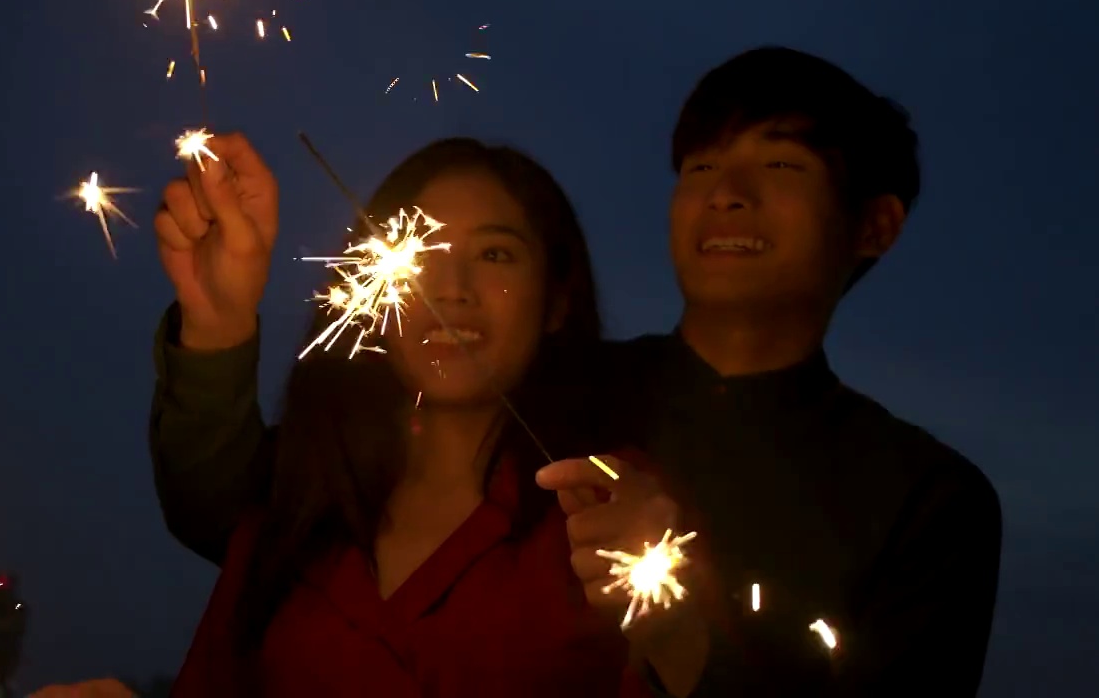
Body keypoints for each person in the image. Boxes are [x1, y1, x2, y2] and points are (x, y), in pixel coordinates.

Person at [147, 46, 1003, 696]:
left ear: (875, 225)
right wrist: (218, 325)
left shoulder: (927, 501)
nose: (725, 193)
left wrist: (683, 633)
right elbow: (247, 510)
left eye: (779, 166)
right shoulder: (533, 398)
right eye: (700, 167)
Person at [163, 135, 681, 695]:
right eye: (421, 252)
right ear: (370, 289)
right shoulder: (289, 509)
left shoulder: (614, 512)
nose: (452, 290)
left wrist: (675, 628)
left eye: (494, 255)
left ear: (556, 300)